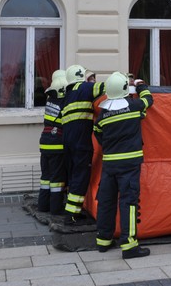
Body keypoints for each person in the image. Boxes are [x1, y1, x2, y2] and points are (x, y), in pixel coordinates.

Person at [94, 72, 153, 259]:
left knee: (106, 201)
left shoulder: (103, 114)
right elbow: (148, 100)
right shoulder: (134, 106)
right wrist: (141, 84)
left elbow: (98, 134)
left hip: (110, 163)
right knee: (128, 202)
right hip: (130, 163)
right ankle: (129, 246)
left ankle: (103, 240)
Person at [61, 64, 106, 224]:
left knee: (73, 175)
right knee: (81, 176)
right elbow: (107, 87)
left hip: (67, 143)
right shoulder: (85, 88)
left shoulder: (67, 94)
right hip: (81, 142)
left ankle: (71, 210)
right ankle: (72, 216)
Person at [38, 69, 67, 215]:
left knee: (45, 177)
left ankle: (43, 206)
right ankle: (55, 208)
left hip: (45, 142)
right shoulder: (64, 101)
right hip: (57, 144)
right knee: (56, 179)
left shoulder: (50, 99)